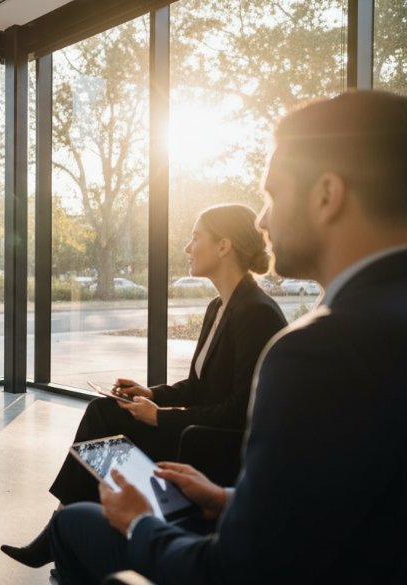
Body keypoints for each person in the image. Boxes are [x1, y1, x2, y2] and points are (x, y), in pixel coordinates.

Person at [40, 90, 407, 583]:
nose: (262, 219)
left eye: (272, 194)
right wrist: (229, 499)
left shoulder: (319, 351)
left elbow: (232, 571)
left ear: (327, 194)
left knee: (77, 527)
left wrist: (141, 524)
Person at [1, 204, 287, 568]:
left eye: (196, 237)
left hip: (212, 445)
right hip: (195, 430)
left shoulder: (255, 312)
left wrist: (160, 418)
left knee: (102, 420)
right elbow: (198, 386)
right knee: (103, 411)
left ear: (224, 246)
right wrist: (151, 394)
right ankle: (64, 530)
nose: (187, 247)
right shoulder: (220, 306)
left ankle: (62, 532)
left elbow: (238, 411)